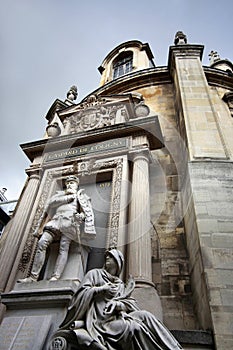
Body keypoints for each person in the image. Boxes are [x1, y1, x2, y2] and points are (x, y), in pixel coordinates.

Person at [59, 248, 183, 350]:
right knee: (134, 327)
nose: (107, 257)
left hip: (118, 318)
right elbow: (80, 296)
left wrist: (118, 305)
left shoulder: (119, 285)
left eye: (111, 256)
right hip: (101, 323)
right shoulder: (94, 274)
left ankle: (174, 347)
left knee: (146, 315)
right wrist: (100, 289)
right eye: (107, 256)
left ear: (118, 262)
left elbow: (129, 303)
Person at [18, 175, 96, 282]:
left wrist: (81, 217)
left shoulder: (81, 196)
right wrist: (67, 198)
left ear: (77, 185)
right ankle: (33, 277)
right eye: (68, 183)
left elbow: (85, 212)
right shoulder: (58, 196)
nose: (69, 184)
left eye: (72, 183)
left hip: (69, 222)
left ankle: (56, 276)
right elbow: (51, 204)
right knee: (42, 243)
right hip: (55, 221)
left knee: (64, 248)